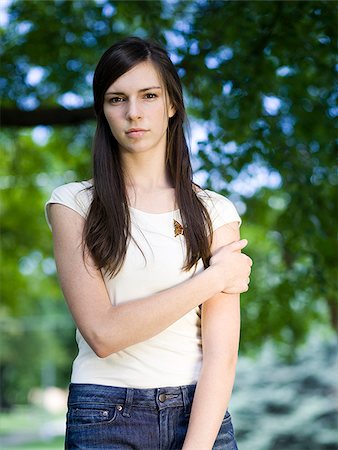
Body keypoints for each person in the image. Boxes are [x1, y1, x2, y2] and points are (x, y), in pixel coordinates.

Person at [45, 36, 252, 450]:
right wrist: (213, 279)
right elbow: (103, 333)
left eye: (149, 95)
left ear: (172, 104)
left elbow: (221, 355)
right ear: (103, 111)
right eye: (116, 99)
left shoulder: (214, 211)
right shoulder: (73, 204)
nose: (133, 113)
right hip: (104, 414)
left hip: (200, 414)